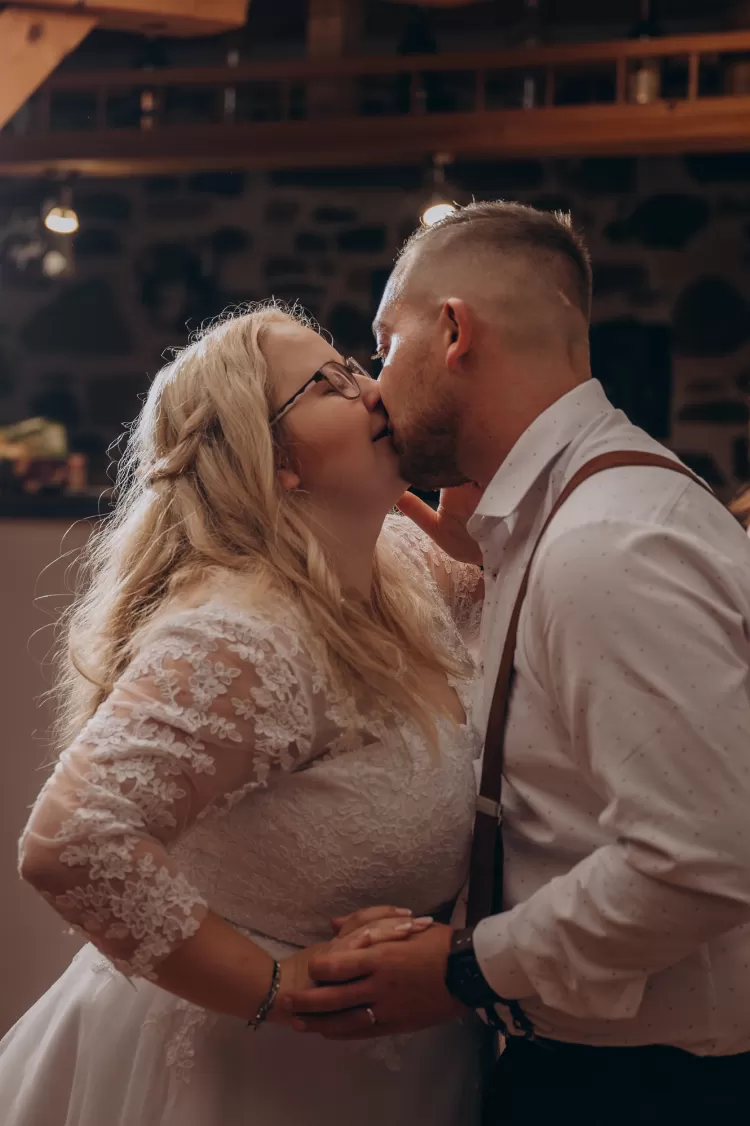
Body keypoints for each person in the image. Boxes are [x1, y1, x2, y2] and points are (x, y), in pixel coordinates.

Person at [287, 202, 750, 1126]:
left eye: (385, 344)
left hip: (649, 1092)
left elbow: (704, 858)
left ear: (454, 331)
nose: (375, 387)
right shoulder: (568, 517)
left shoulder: (604, 544)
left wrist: (465, 969)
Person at [0, 305, 485, 1126]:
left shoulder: (396, 566)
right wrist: (279, 988)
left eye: (354, 367)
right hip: (256, 1082)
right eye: (327, 384)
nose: (371, 391)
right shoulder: (245, 633)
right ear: (274, 459)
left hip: (407, 1069)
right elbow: (71, 841)